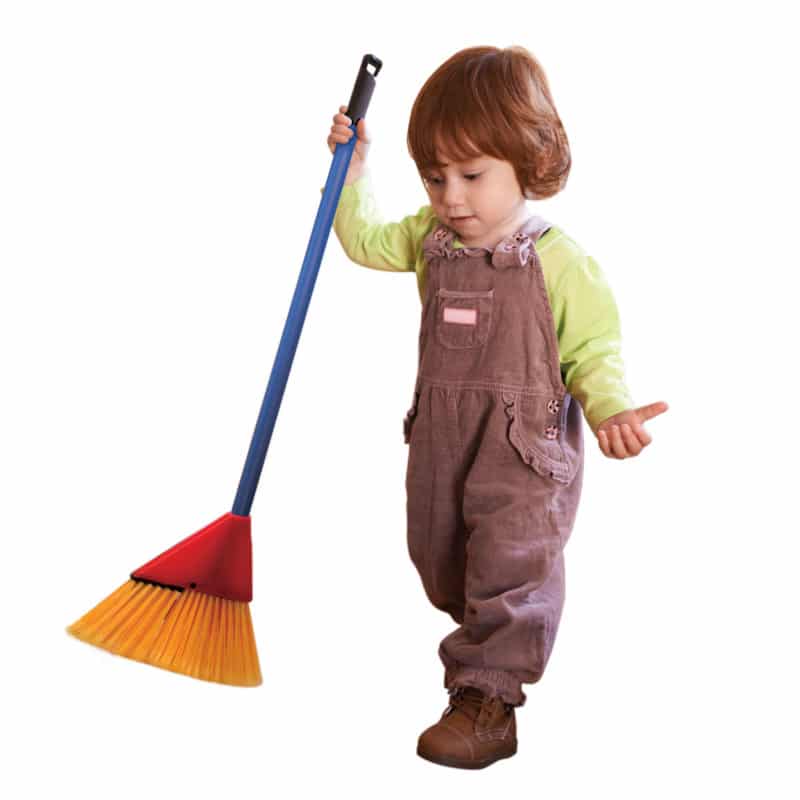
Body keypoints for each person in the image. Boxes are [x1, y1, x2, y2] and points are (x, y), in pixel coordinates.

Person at [325, 45, 668, 770]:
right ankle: (482, 647)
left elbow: (594, 349)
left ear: (526, 160)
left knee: (512, 563)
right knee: (441, 557)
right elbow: (360, 241)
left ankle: (488, 697)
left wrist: (612, 411)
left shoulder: (559, 260)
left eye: (473, 175)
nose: (451, 196)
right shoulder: (430, 239)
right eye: (434, 176)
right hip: (442, 440)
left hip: (521, 449)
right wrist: (350, 172)